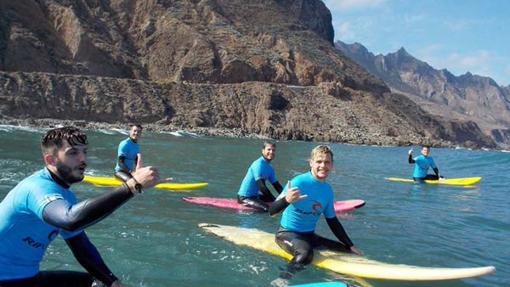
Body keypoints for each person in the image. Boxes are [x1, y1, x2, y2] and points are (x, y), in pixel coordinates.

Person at [0, 126, 169, 287]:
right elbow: (70, 220)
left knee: (100, 283)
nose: (83, 159)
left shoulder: (65, 196)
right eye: (73, 153)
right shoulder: (36, 188)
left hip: (27, 279)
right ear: (51, 160)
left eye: (84, 152)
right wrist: (132, 186)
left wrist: (112, 282)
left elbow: (80, 246)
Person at [269, 145, 361, 286]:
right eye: (319, 161)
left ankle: (348, 278)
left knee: (346, 250)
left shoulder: (327, 191)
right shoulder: (298, 182)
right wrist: (286, 199)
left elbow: (333, 221)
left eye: (327, 162)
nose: (323, 166)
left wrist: (350, 245)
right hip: (287, 233)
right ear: (311, 163)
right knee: (306, 254)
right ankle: (281, 280)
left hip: (310, 235)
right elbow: (272, 212)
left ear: (332, 165)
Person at [237, 142, 284, 212]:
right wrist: (276, 203)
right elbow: (262, 187)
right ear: (263, 150)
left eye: (273, 150)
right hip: (244, 197)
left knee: (273, 200)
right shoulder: (258, 165)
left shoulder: (270, 168)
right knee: (267, 209)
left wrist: (286, 197)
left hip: (256, 196)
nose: (271, 152)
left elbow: (277, 186)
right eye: (269, 149)